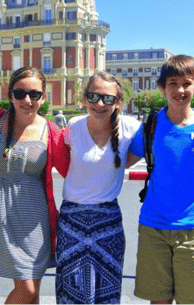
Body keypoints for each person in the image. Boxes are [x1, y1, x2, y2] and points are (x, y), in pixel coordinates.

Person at [128, 55, 194, 304]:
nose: (180, 90)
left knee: (193, 301)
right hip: (153, 226)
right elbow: (119, 161)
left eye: (187, 83)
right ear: (162, 87)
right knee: (158, 300)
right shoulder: (151, 125)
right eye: (173, 83)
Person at [0, 67, 69, 304]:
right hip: (1, 213)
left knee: (31, 290)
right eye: (20, 93)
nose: (27, 100)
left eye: (35, 94)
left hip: (36, 221)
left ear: (43, 97)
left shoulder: (51, 132)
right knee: (28, 289)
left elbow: (73, 171)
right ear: (10, 94)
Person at [55, 71, 141, 304]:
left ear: (119, 102)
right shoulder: (73, 126)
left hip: (108, 221)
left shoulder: (131, 128)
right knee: (71, 291)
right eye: (93, 97)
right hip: (72, 220)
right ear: (84, 99)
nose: (99, 104)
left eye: (108, 98)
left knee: (107, 290)